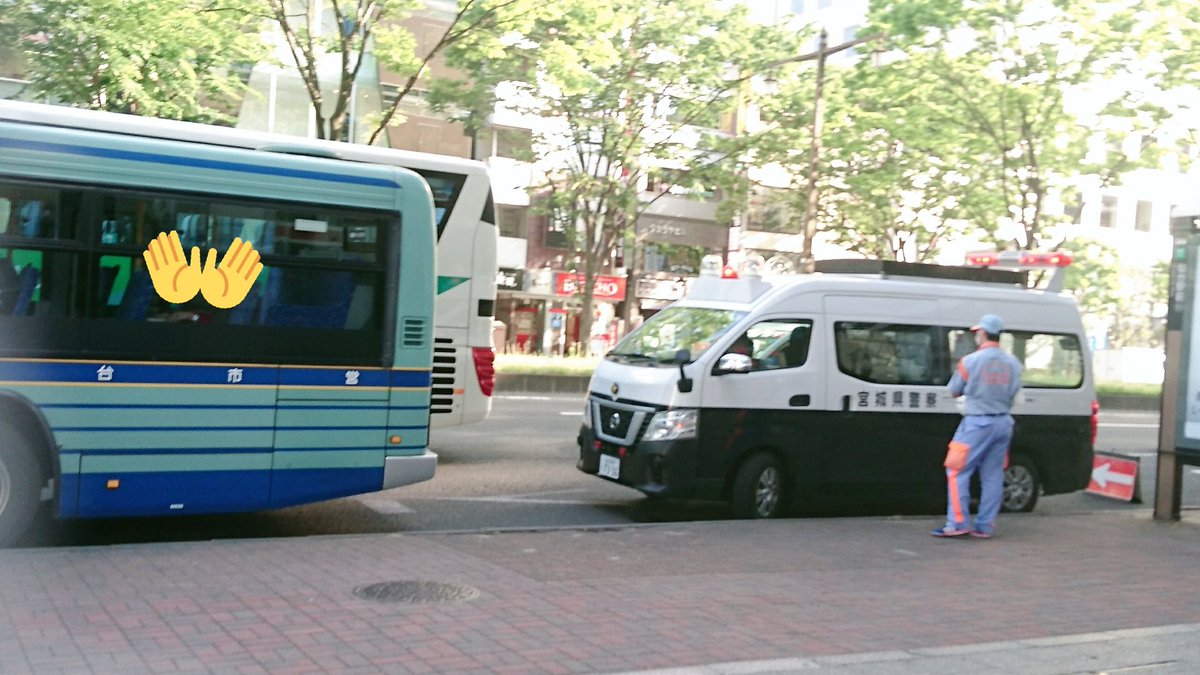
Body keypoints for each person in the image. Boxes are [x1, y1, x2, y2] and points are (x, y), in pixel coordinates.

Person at [931, 314, 1023, 539]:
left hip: (976, 423)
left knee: (956, 470)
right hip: (1003, 422)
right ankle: (985, 526)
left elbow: (954, 390)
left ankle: (958, 522)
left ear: (982, 333)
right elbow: (1014, 393)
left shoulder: (970, 361)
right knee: (992, 474)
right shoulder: (1013, 363)